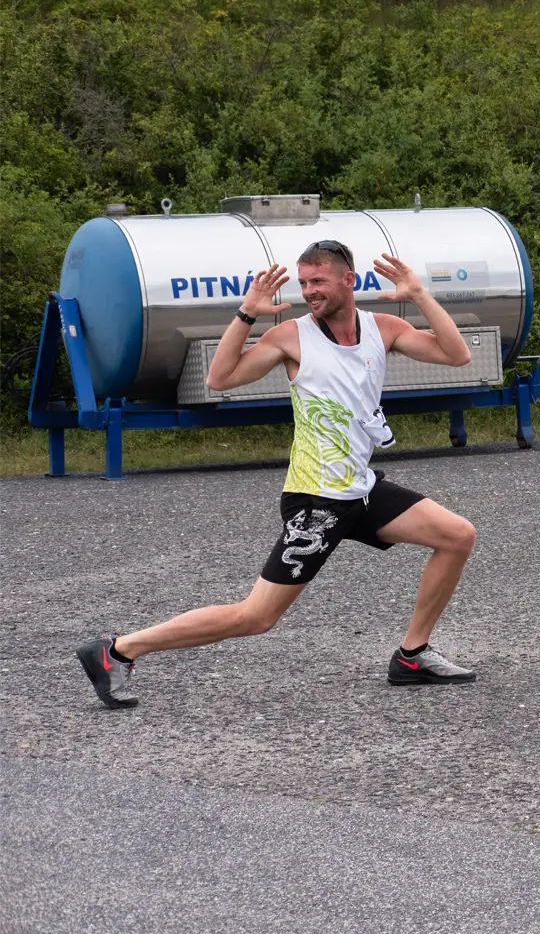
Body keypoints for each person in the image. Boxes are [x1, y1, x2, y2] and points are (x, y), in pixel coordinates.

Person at [76, 242, 481, 708]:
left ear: (348, 281)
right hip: (316, 500)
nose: (309, 292)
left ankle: (412, 655)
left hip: (359, 488)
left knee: (456, 535)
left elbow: (456, 356)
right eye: (304, 283)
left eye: (318, 282)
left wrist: (420, 294)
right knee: (257, 616)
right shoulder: (291, 337)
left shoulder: (382, 328)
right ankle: (118, 651)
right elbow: (220, 379)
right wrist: (246, 313)